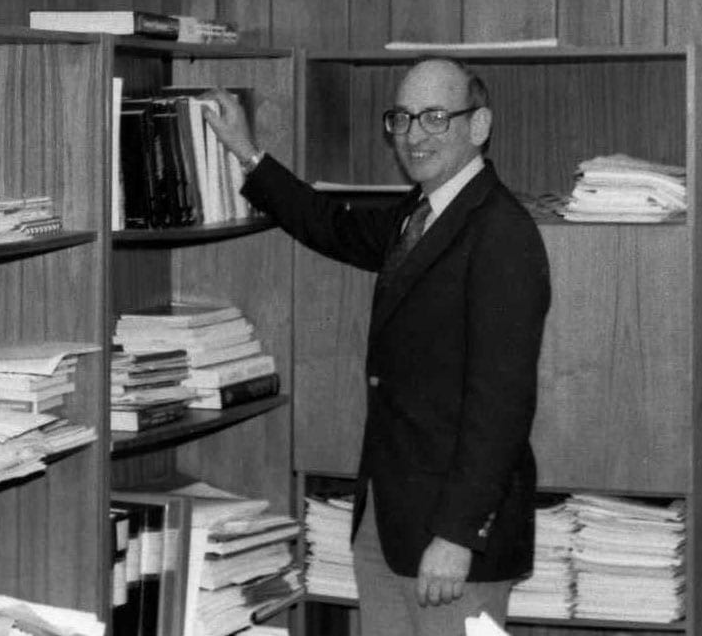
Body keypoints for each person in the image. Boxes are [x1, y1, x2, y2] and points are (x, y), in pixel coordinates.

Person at [204, 57, 551, 635]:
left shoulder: (502, 234)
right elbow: (332, 225)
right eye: (403, 118)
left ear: (479, 125)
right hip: (390, 523)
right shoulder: (420, 214)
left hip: (450, 541)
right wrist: (248, 153)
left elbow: (503, 407)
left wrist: (458, 534)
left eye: (436, 118)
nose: (414, 136)